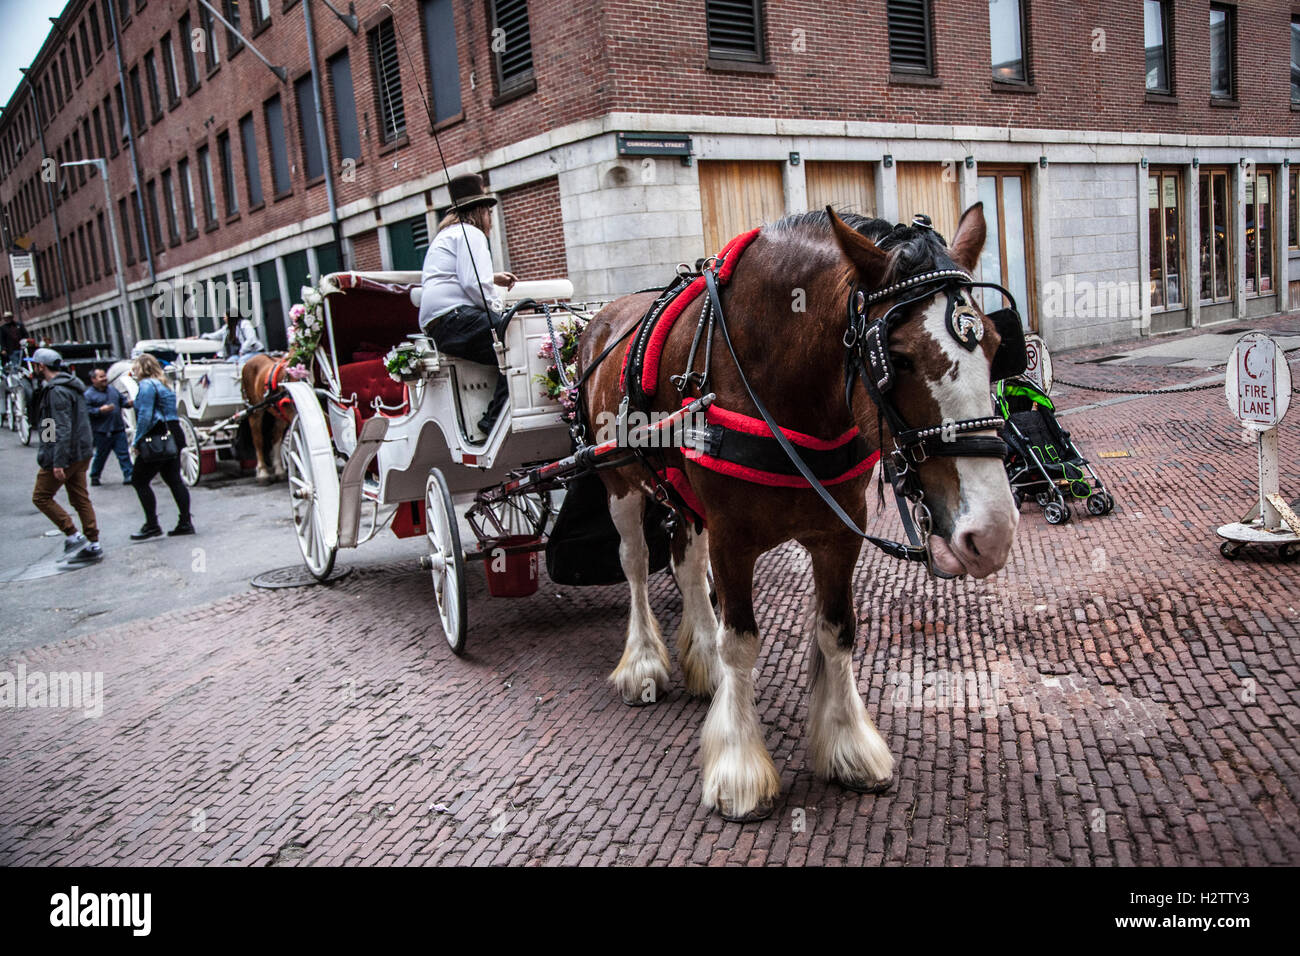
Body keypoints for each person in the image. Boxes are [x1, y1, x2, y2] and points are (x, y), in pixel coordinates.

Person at [417, 173, 517, 435]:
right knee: (515, 338)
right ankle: (495, 419)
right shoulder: (470, 233)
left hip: (441, 324)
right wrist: (501, 311)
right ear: (482, 211)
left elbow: (452, 276)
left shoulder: (448, 235)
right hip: (455, 319)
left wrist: (492, 278)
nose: (491, 221)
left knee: (505, 340)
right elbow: (475, 285)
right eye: (489, 213)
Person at [29, 347, 102, 565]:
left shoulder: (55, 391)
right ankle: (93, 543)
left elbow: (59, 427)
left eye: (35, 365)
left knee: (41, 496)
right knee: (80, 497)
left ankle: (73, 535)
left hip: (66, 454)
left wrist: (56, 460)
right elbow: (52, 425)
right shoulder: (69, 386)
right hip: (80, 451)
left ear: (41, 366)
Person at [129, 353, 194, 539]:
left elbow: (146, 415)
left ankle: (152, 524)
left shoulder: (146, 385)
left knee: (139, 480)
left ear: (141, 368)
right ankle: (185, 521)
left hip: (157, 434)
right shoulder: (164, 384)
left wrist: (137, 440)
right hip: (174, 430)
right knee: (173, 478)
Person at [85, 368, 134, 486]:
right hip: (101, 431)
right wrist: (99, 410)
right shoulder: (88, 395)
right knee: (101, 456)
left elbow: (123, 402)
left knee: (123, 454)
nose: (104, 379)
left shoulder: (113, 390)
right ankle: (95, 476)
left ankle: (129, 475)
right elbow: (85, 411)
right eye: (101, 377)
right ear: (93, 380)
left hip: (118, 429)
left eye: (104, 376)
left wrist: (129, 403)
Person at [198, 309, 264, 362]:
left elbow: (251, 339)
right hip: (239, 355)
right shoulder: (227, 328)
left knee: (242, 361)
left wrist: (242, 351)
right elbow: (214, 335)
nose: (224, 319)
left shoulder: (245, 324)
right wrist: (199, 336)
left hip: (254, 352)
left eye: (225, 317)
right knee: (229, 362)